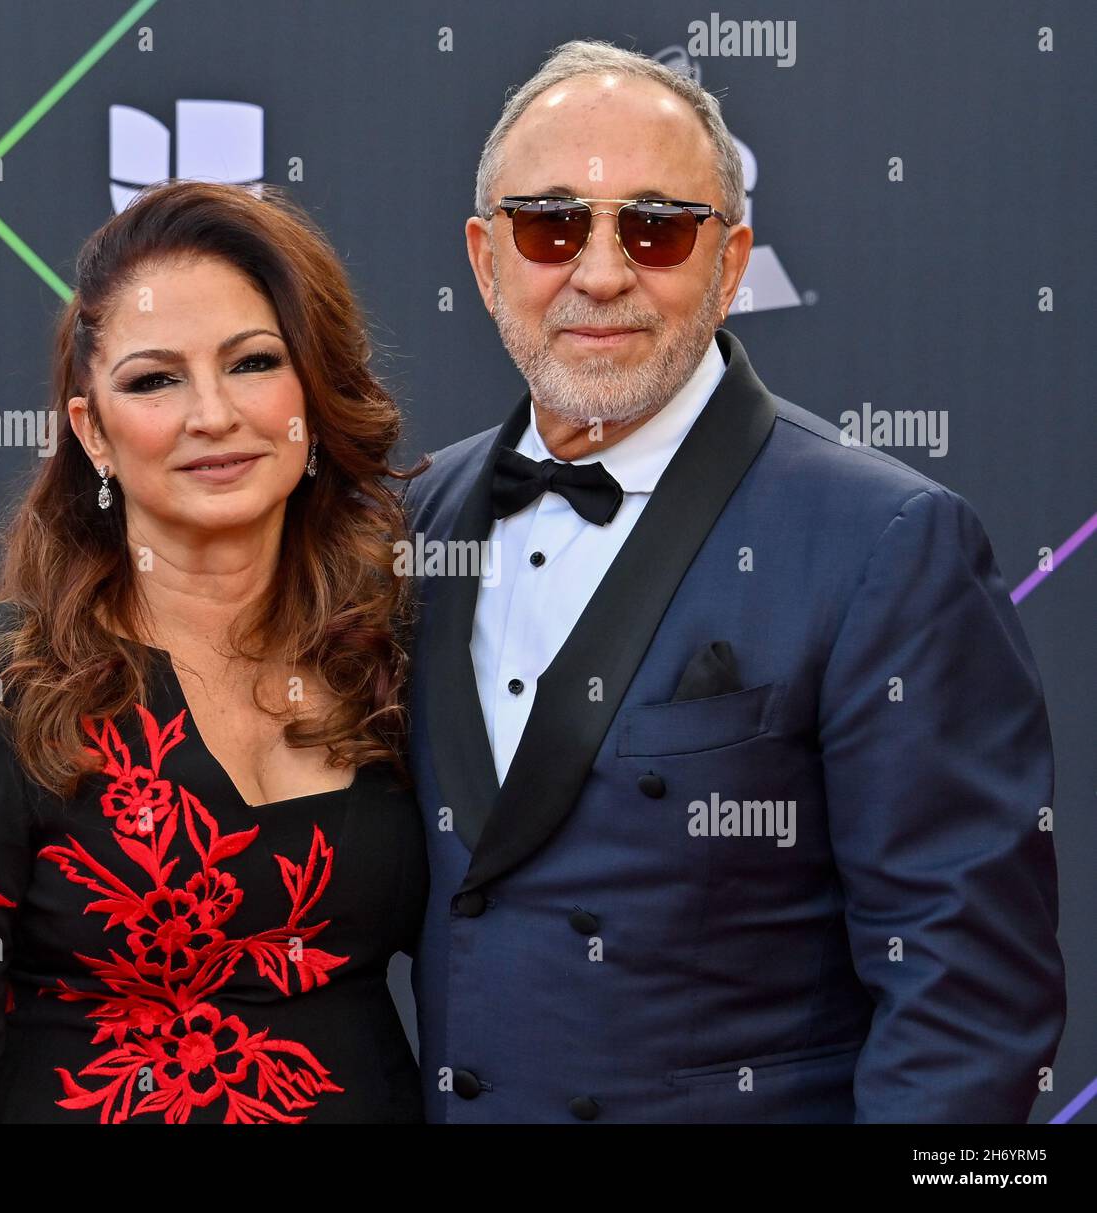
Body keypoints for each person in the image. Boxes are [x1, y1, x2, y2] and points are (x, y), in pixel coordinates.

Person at [402, 39, 1065, 1123]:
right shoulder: (410, 522)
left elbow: (969, 1000)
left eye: (658, 228)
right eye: (550, 224)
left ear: (732, 263)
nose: (601, 271)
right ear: (485, 259)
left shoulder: (887, 542)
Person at [0, 180, 429, 1124]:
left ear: (313, 394)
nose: (211, 415)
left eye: (252, 362)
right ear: (94, 432)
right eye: (155, 379)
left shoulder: (393, 653)